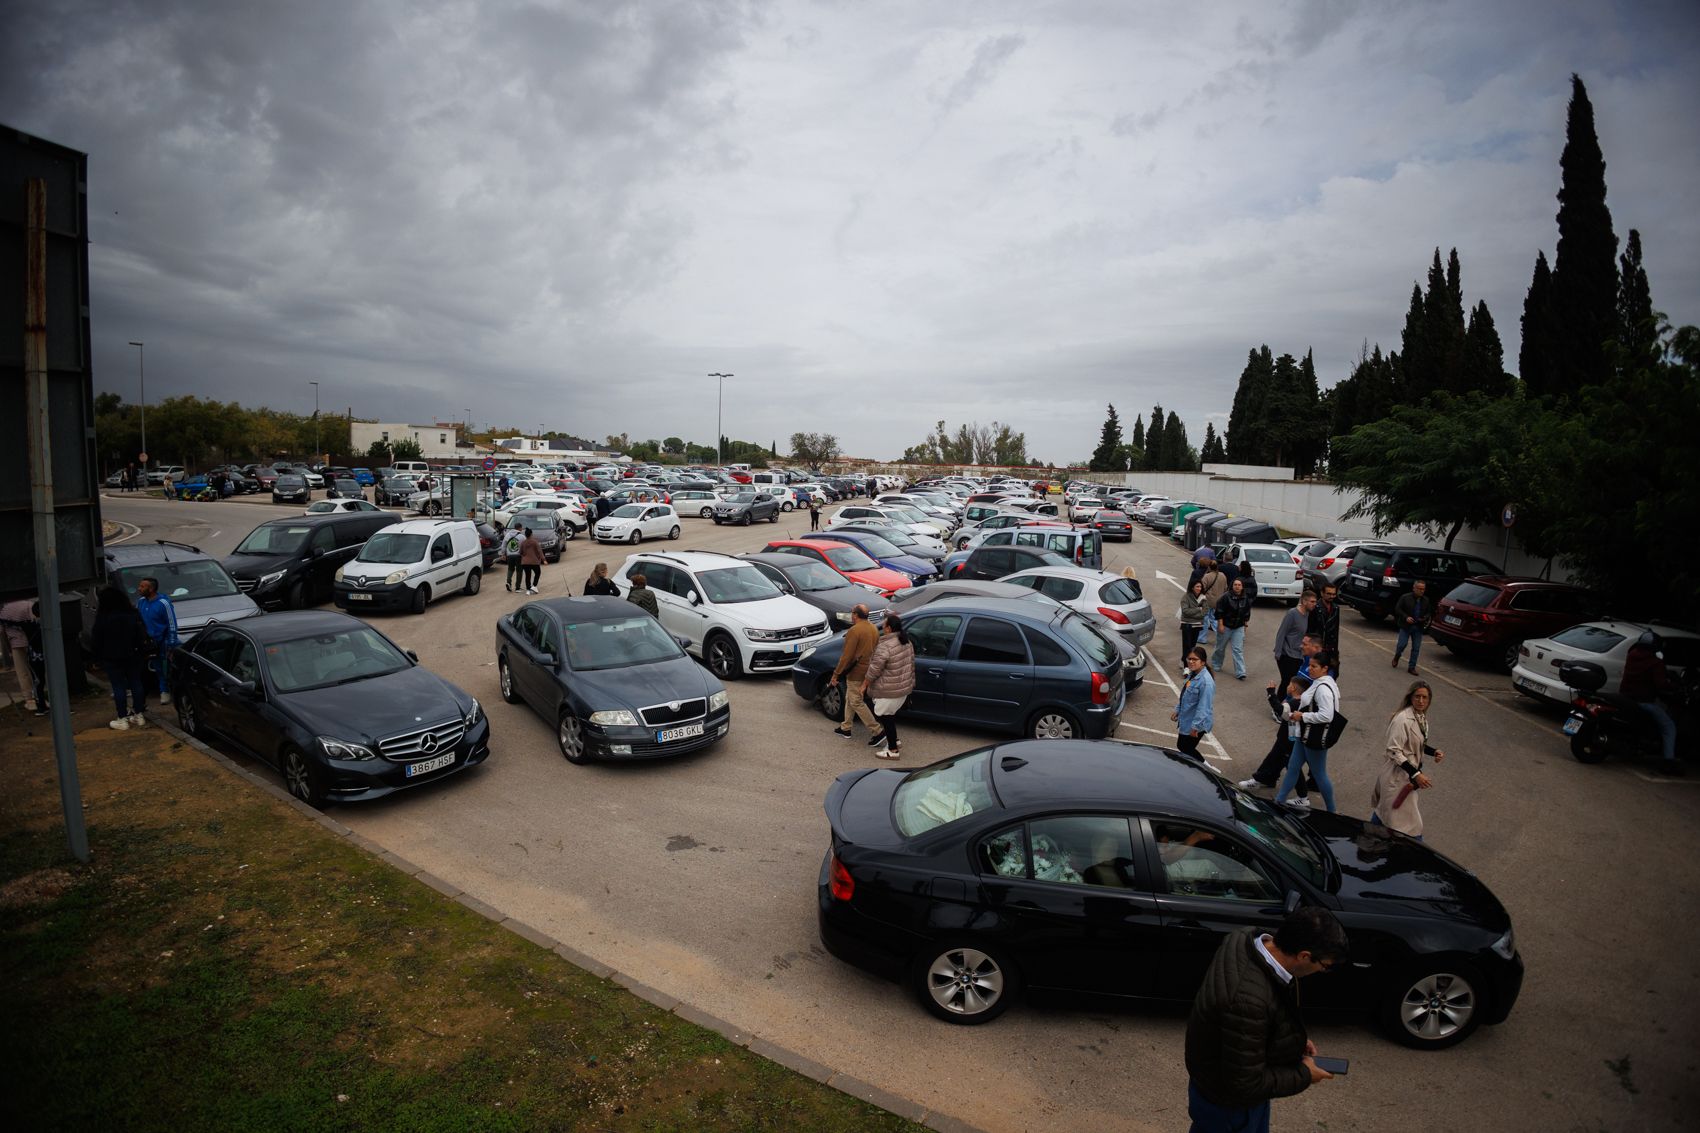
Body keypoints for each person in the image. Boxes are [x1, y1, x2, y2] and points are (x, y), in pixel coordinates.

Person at [1184, 906, 1345, 1132]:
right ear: (1304, 956)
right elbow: (1246, 1084)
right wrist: (1305, 1074)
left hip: (1219, 1081)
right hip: (1228, 1104)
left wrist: (1290, 1040)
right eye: (1325, 966)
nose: (1322, 971)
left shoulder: (1244, 939)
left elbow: (1256, 1021)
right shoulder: (1247, 1002)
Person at [1370, 681, 1446, 838]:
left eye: (1425, 697)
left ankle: (1366, 847)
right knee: (1410, 825)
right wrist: (1417, 774)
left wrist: (1434, 751)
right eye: (1417, 696)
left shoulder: (1420, 718)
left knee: (1385, 814)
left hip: (1405, 779)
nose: (1421, 701)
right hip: (1396, 777)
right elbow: (1394, 751)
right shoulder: (1403, 719)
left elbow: (1417, 743)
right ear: (1410, 697)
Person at [1274, 651, 1340, 812]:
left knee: (1319, 774)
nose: (1310, 669)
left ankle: (1332, 810)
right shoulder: (1323, 682)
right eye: (1309, 665)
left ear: (1324, 668)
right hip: (1305, 734)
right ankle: (1279, 800)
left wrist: (1302, 715)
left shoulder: (1323, 689)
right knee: (1293, 766)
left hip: (1313, 736)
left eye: (1314, 666)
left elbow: (1327, 715)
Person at [88, 585, 150, 730]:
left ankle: (122, 717)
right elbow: (142, 634)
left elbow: (96, 639)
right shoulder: (132, 614)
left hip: (111, 656)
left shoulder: (104, 618)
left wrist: (96, 658)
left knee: (118, 686)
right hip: (133, 654)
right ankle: (138, 714)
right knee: (136, 682)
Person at [1621, 632, 1682, 775]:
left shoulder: (1632, 655)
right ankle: (1668, 761)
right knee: (1669, 727)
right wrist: (1673, 687)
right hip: (1643, 701)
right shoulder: (1655, 662)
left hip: (1626, 696)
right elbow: (1660, 684)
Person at [861, 613, 915, 760]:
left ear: (889, 629)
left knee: (886, 717)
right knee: (889, 715)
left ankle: (892, 750)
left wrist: (864, 685)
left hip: (888, 689)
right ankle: (895, 740)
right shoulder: (907, 642)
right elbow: (911, 665)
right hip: (901, 689)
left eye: (884, 626)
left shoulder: (885, 645)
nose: (882, 628)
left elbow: (874, 669)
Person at [830, 604, 881, 741]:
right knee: (850, 698)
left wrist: (836, 674)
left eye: (852, 613)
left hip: (855, 672)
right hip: (867, 669)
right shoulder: (873, 628)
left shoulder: (854, 630)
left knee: (856, 701)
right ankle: (846, 727)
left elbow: (846, 656)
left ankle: (877, 731)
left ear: (856, 615)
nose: (851, 615)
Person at [135, 576, 180, 706]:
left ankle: (165, 691)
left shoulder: (163, 603)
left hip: (163, 642)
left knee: (164, 668)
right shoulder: (141, 602)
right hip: (147, 643)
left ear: (151, 589)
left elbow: (171, 623)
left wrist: (171, 641)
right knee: (154, 667)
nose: (139, 588)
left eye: (142, 586)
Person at [1172, 646, 1216, 756]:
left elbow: (1204, 707)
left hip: (1197, 723)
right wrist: (1177, 710)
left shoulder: (1206, 682)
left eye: (1195, 659)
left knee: (1185, 748)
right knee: (1183, 747)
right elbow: (1185, 695)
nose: (1191, 662)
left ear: (1203, 662)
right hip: (1188, 719)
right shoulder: (1193, 674)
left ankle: (1206, 768)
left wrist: (1195, 727)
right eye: (1189, 659)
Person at [1, 596, 42, 712]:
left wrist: (8, 648)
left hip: (16, 644)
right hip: (32, 643)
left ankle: (29, 699)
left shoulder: (5, 610)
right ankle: (40, 696)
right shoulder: (28, 605)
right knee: (36, 671)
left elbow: (1, 632)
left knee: (22, 672)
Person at [1211, 578, 1253, 679]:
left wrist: (1245, 625)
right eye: (1235, 585)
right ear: (1232, 586)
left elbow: (1247, 613)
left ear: (1242, 587)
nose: (1237, 587)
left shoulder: (1245, 598)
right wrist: (1220, 625)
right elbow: (1219, 611)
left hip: (1238, 627)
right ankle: (1216, 664)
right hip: (1226, 625)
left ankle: (1240, 672)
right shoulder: (1225, 597)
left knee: (1238, 649)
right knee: (1220, 648)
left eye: (1239, 585)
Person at [1274, 590, 1316, 689]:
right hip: (1287, 654)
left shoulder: (1307, 614)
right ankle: (1279, 703)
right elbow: (1282, 632)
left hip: (1298, 655)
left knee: (1293, 683)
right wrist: (1278, 652)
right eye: (1312, 602)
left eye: (1315, 602)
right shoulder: (1292, 613)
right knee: (1287, 682)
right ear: (1304, 601)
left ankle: (1286, 703)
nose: (1314, 604)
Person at [1391, 579, 1431, 674]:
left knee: (1416, 648)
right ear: (1414, 588)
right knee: (1402, 645)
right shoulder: (1405, 597)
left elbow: (1429, 612)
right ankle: (1397, 656)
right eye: (1419, 589)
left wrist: (1424, 618)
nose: (1422, 591)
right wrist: (1406, 617)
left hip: (1418, 627)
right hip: (1406, 626)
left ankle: (1411, 667)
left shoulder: (1426, 600)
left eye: (1423, 589)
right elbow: (1398, 609)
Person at [1308, 584, 1342, 675]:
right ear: (1322, 593)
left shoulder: (1336, 608)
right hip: (1318, 648)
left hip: (1331, 649)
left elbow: (1336, 631)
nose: (1331, 596)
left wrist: (1335, 652)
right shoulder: (1315, 608)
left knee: (1333, 674)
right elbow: (1310, 629)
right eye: (1329, 594)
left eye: (1333, 594)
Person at [1178, 579, 1207, 670]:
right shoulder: (1186, 597)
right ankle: (1187, 667)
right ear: (1192, 587)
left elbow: (1205, 611)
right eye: (1197, 586)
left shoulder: (1203, 597)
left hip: (1197, 625)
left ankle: (1184, 660)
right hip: (1187, 624)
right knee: (1187, 645)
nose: (1199, 588)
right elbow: (1185, 611)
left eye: (1200, 587)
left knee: (1192, 645)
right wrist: (1198, 609)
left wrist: (1196, 613)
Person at [519, 526, 544, 594]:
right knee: (538, 573)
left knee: (527, 575)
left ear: (526, 535)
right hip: (534, 561)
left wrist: (524, 556)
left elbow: (520, 552)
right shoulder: (535, 542)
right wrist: (543, 559)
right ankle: (534, 586)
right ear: (531, 534)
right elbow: (539, 551)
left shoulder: (523, 543)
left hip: (525, 562)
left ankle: (528, 590)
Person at [502, 525, 525, 591]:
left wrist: (503, 554)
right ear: (520, 528)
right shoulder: (522, 536)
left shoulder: (507, 535)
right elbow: (525, 545)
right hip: (518, 556)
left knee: (510, 569)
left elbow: (503, 545)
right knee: (519, 571)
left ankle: (508, 582)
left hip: (509, 556)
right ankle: (517, 587)